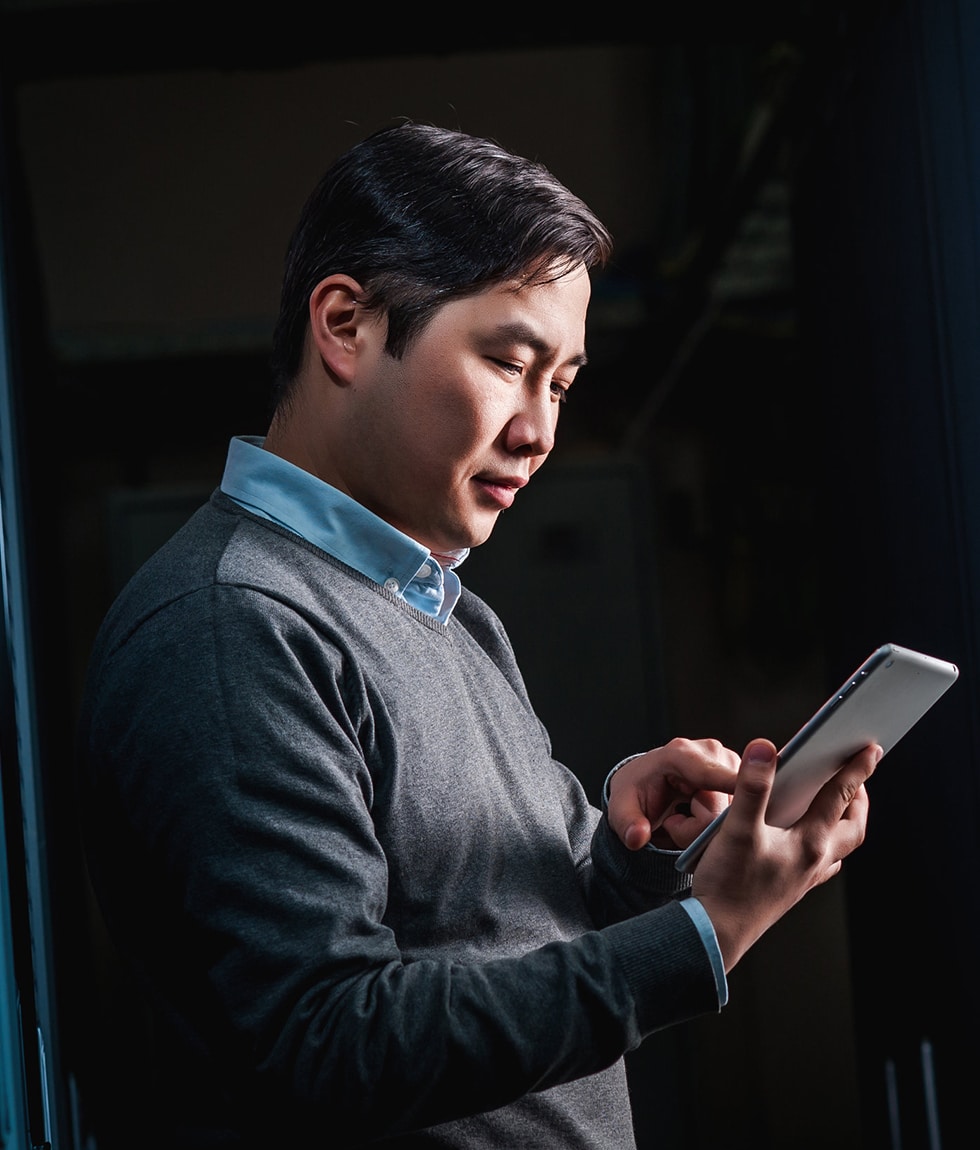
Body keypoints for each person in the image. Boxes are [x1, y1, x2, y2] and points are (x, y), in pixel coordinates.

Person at [75, 122, 878, 1149]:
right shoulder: (232, 626)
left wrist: (630, 863)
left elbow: (495, 944)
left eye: (561, 384)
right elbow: (329, 1043)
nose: (540, 428)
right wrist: (705, 933)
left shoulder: (443, 608)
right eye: (508, 359)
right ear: (346, 324)